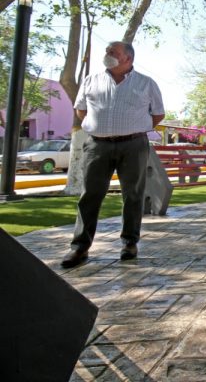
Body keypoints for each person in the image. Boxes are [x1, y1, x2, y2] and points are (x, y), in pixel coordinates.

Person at [61, 42, 165, 268]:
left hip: (133, 145)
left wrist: (134, 127)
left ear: (128, 58)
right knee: (90, 195)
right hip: (98, 145)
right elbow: (81, 110)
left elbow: (158, 114)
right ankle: (79, 248)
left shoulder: (146, 83)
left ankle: (129, 243)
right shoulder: (91, 80)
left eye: (113, 52)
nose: (107, 55)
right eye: (107, 51)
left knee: (133, 195)